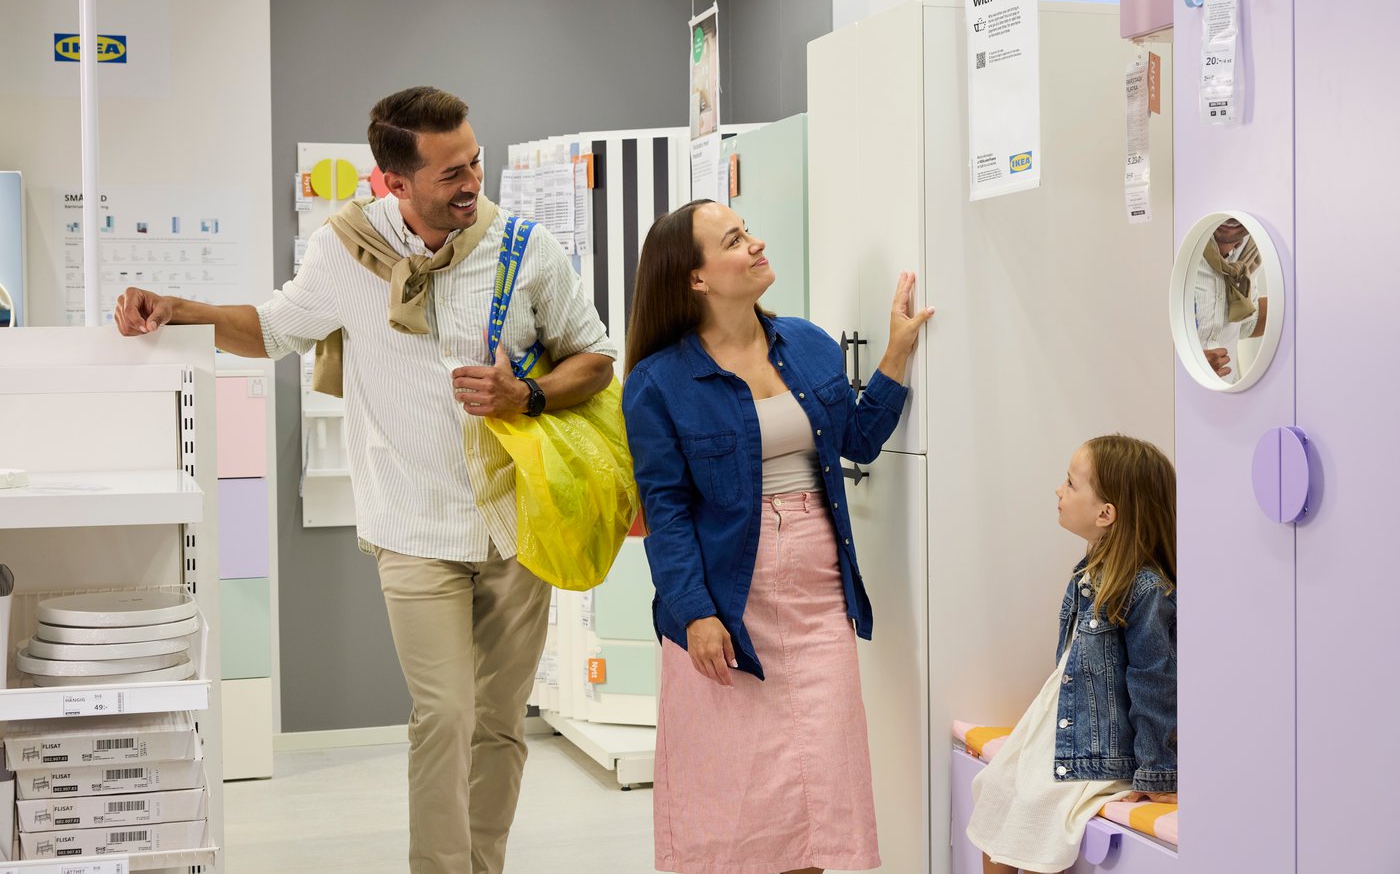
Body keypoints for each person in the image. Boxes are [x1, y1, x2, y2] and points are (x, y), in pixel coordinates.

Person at [112, 86, 616, 874]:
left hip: (520, 525)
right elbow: (272, 328)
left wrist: (531, 393)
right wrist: (177, 308)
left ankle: (485, 865)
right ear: (394, 183)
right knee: (443, 715)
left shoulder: (526, 246)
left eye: (475, 161)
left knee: (499, 720)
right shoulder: (343, 250)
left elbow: (594, 354)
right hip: (413, 525)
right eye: (450, 172)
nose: (471, 181)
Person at [621, 199, 933, 874]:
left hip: (819, 596)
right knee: (739, 806)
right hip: (727, 599)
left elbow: (857, 440)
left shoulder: (808, 342)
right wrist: (696, 612)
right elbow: (666, 510)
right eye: (734, 239)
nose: (757, 243)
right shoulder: (658, 382)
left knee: (818, 795)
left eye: (748, 229)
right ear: (696, 278)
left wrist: (897, 355)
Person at [967, 435, 1178, 874]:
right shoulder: (1089, 574)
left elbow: (1154, 680)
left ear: (1106, 514)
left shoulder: (1146, 590)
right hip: (1067, 731)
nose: (1058, 490)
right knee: (996, 788)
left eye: (1070, 483)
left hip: (1103, 750)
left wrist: (1159, 773)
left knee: (1035, 806)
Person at [1195, 216, 1268, 381]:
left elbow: (1243, 325)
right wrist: (1189, 362)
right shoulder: (1177, 245)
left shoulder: (1251, 252)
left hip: (1230, 397)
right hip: (1175, 397)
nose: (1230, 221)